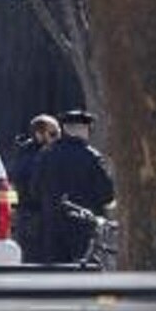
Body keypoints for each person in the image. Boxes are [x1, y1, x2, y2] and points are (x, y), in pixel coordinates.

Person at [33, 109, 115, 264]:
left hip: (52, 226)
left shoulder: (45, 154)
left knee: (54, 274)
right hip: (84, 227)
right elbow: (107, 194)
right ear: (84, 130)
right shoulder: (92, 157)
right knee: (84, 274)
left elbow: (35, 190)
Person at [10, 114, 60, 264]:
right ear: (39, 135)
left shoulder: (24, 154)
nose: (57, 138)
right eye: (52, 134)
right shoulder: (34, 157)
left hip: (31, 215)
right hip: (33, 215)